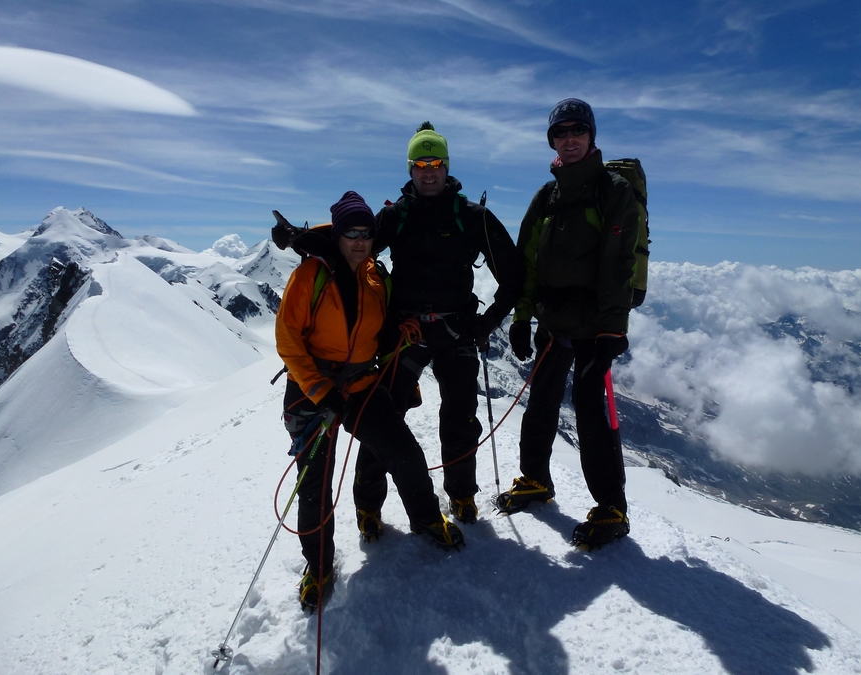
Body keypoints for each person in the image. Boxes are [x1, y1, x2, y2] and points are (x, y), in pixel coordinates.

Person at [274, 191, 464, 611]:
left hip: (360, 385)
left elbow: (379, 329)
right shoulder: (310, 275)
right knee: (315, 486)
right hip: (312, 392)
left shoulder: (377, 276)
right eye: (351, 233)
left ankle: (427, 518)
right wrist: (319, 390)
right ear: (338, 235)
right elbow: (289, 342)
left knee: (404, 452)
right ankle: (318, 566)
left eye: (366, 233)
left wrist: (403, 328)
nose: (360, 240)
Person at [352, 122, 522, 528]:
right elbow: (353, 248)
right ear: (410, 168)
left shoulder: (471, 216)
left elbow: (515, 275)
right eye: (421, 163)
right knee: (384, 418)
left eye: (436, 163)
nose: (429, 171)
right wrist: (308, 242)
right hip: (407, 330)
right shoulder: (396, 216)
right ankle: (369, 506)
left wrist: (489, 321)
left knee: (460, 417)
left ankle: (461, 496)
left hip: (454, 329)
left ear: (447, 167)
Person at [494, 98, 640, 549]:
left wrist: (613, 328)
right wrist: (521, 317)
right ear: (553, 141)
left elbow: (620, 265)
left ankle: (612, 507)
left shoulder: (613, 191)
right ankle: (536, 479)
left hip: (596, 324)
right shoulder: (547, 197)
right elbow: (528, 264)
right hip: (554, 320)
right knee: (541, 403)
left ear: (592, 136)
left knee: (590, 411)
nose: (570, 139)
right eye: (561, 133)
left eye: (578, 131)